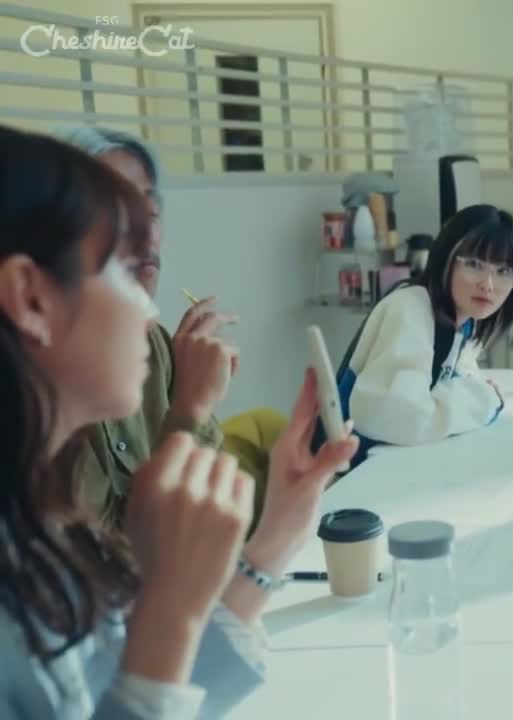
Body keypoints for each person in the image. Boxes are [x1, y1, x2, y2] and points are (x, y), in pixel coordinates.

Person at [0, 125, 356, 718]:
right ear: (31, 299)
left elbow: (125, 687)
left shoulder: (40, 526)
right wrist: (170, 606)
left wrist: (274, 541)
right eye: (118, 267)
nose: (146, 303)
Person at [53, 126, 241, 529]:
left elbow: (206, 516)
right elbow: (111, 552)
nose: (145, 233)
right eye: (115, 210)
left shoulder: (154, 344)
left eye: (151, 212)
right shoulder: (37, 376)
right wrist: (192, 406)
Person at [315, 203, 513, 470]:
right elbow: (402, 419)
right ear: (446, 257)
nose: (488, 284)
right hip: (344, 476)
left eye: (504, 271)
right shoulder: (411, 308)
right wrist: (485, 399)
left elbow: (459, 380)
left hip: (390, 466)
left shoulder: (462, 320)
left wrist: (475, 392)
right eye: (474, 264)